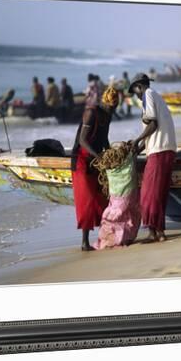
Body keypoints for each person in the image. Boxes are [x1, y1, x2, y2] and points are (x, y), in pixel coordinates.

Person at [129, 73, 177, 243]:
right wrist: (138, 148)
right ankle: (160, 232)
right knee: (159, 193)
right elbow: (154, 131)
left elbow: (153, 124)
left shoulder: (148, 94)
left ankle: (154, 232)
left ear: (139, 87)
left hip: (159, 151)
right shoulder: (156, 97)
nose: (136, 94)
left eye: (135, 90)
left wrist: (137, 140)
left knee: (148, 193)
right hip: (166, 149)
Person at [70, 86, 119, 251]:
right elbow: (83, 140)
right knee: (88, 200)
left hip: (96, 161)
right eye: (110, 107)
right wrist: (97, 156)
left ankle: (104, 236)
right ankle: (84, 242)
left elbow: (104, 139)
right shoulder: (91, 113)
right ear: (105, 102)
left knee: (102, 198)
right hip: (82, 161)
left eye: (114, 108)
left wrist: (113, 154)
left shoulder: (108, 116)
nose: (112, 110)